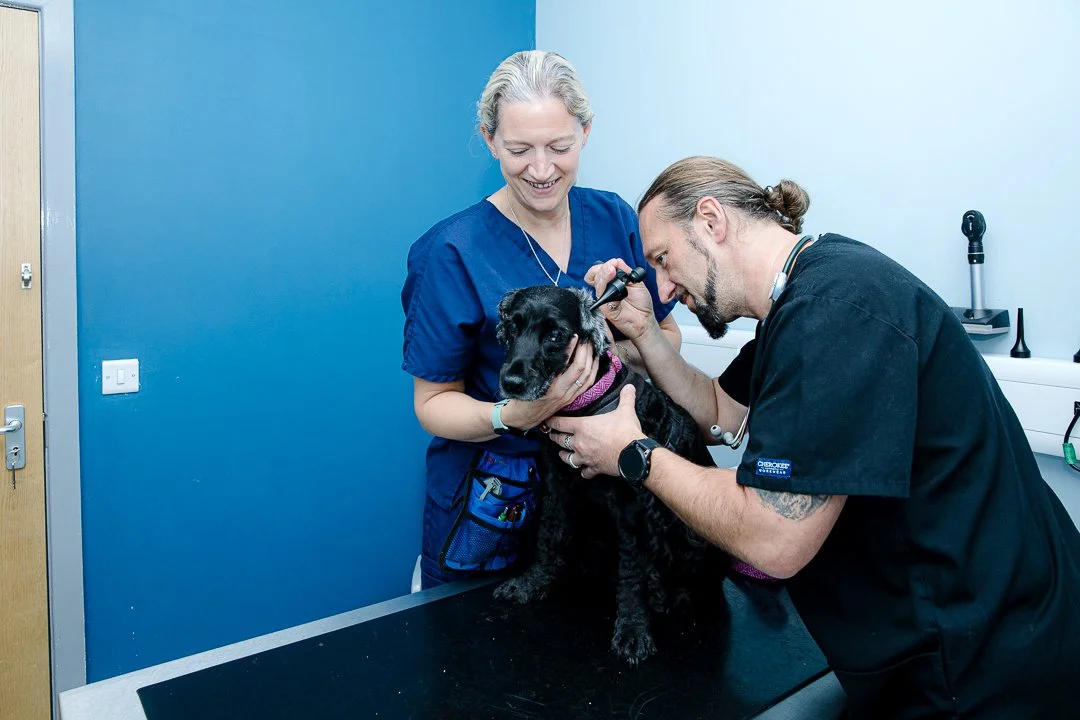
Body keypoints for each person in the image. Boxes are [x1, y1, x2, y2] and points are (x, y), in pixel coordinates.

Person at [545, 155, 1080, 717]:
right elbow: (722, 412)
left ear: (710, 220)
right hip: (971, 630)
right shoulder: (810, 293)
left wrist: (633, 452)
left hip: (979, 662)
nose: (663, 286)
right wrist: (646, 333)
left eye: (663, 259)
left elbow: (774, 541)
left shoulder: (835, 313)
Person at [400, 51, 680, 590]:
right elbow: (432, 404)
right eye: (518, 149)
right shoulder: (450, 251)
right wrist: (520, 413)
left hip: (600, 499)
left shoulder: (615, 218)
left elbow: (665, 336)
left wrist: (606, 356)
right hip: (495, 500)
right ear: (488, 139)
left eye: (560, 146)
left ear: (586, 131)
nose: (543, 169)